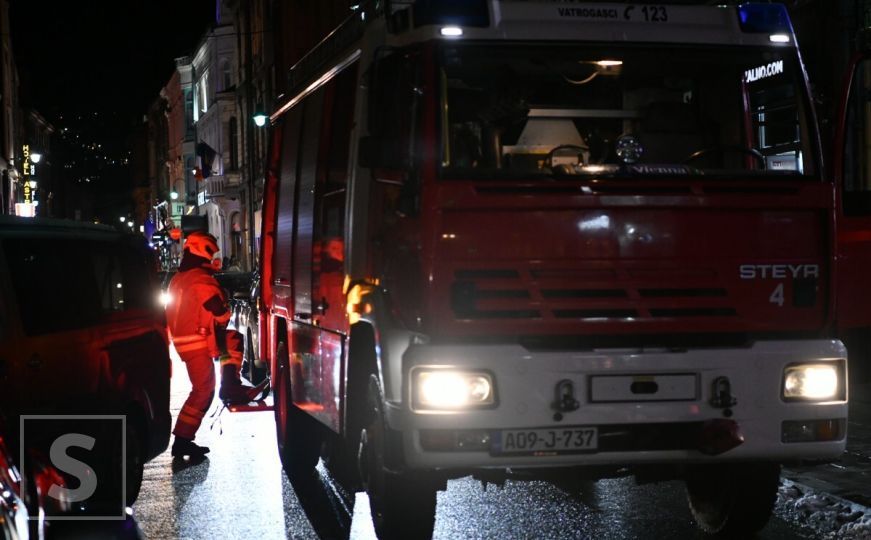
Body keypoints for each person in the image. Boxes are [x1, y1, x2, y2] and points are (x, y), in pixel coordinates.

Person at [165, 231, 265, 458]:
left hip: (189, 339)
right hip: (197, 340)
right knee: (203, 390)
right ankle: (182, 439)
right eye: (210, 251)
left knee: (232, 340)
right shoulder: (200, 279)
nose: (211, 257)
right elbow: (219, 313)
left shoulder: (180, 278)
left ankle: (230, 386)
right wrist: (225, 308)